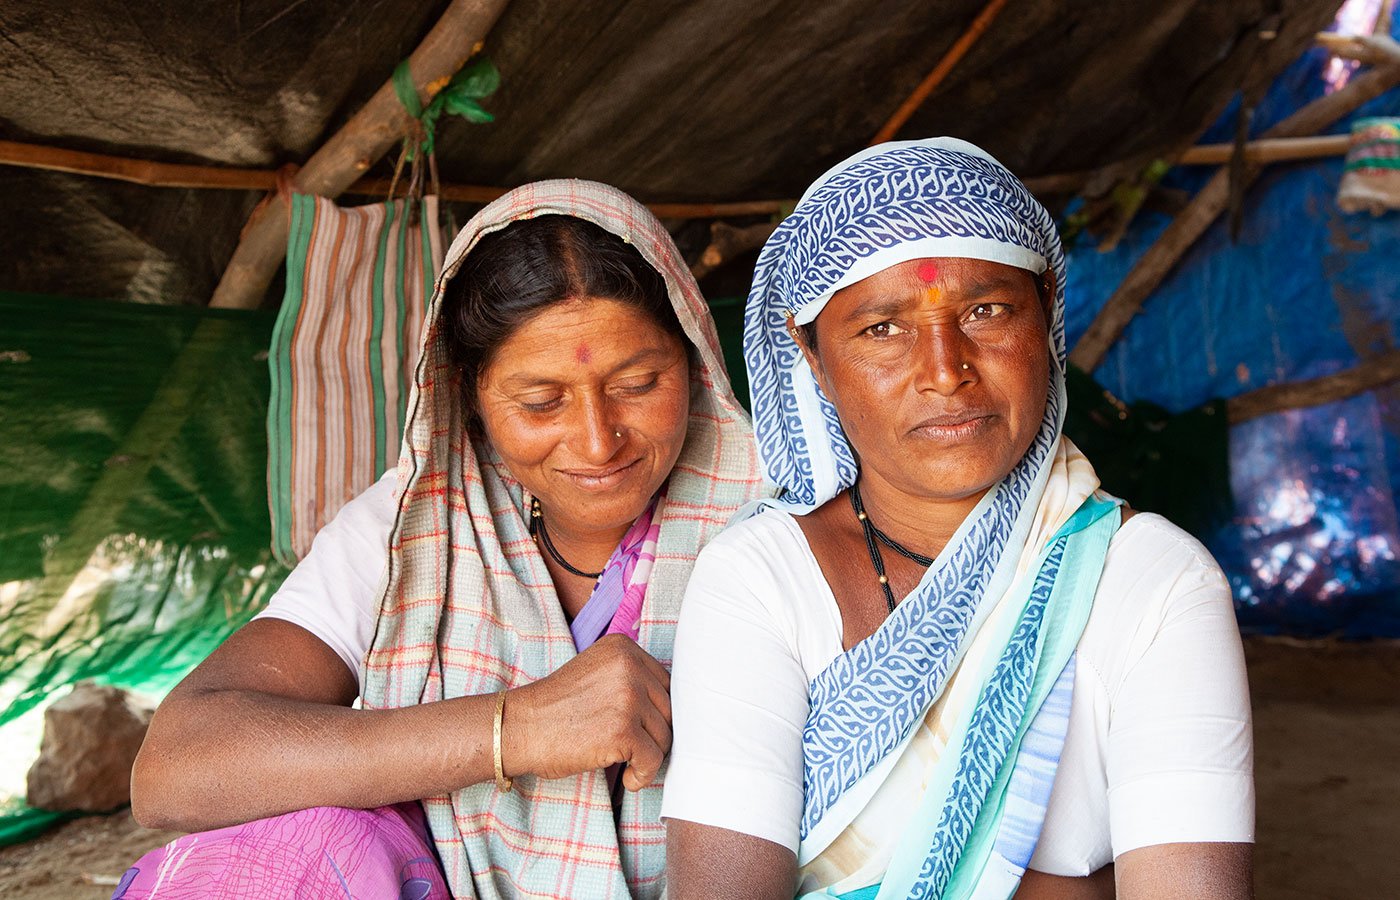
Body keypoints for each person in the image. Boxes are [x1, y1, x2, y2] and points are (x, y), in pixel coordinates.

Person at [120, 180, 763, 899]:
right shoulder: (415, 525)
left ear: (695, 355)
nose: (597, 438)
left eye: (640, 382)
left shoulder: (775, 513)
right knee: (294, 854)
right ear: (468, 394)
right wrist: (515, 729)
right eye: (540, 401)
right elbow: (175, 767)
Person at [662, 139, 1254, 900]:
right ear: (812, 360)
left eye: (986, 310)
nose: (945, 369)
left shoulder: (1155, 582)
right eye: (882, 329)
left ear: (1046, 320)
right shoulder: (758, 578)